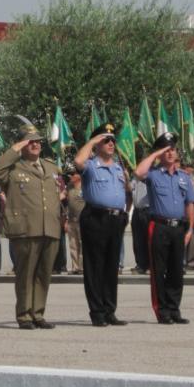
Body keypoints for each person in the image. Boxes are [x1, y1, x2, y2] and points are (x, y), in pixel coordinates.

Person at [0, 123, 60, 330]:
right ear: (22, 144)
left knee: (44, 274)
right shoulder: (13, 168)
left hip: (50, 227)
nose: (35, 144)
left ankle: (38, 313)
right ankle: (24, 315)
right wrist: (16, 149)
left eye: (38, 141)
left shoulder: (51, 167)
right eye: (30, 141)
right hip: (26, 229)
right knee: (26, 274)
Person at [134, 132, 194, 325]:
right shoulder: (153, 175)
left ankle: (174, 309)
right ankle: (162, 311)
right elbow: (138, 172)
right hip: (159, 227)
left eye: (173, 150)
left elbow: (190, 204)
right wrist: (155, 153)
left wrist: (190, 229)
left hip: (178, 228)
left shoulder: (184, 177)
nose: (170, 153)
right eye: (166, 150)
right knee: (159, 270)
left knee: (177, 270)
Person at [74, 123, 129, 327]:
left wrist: (124, 214)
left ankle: (109, 310)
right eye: (106, 140)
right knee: (95, 267)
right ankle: (97, 312)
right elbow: (78, 160)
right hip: (96, 218)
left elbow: (126, 191)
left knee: (111, 267)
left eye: (112, 140)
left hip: (115, 219)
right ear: (97, 144)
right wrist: (92, 141)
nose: (111, 143)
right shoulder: (91, 165)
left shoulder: (117, 167)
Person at [66, 166, 85, 274]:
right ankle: (75, 267)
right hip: (71, 220)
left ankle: (82, 267)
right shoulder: (69, 187)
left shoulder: (85, 186)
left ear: (79, 176)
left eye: (73, 174)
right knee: (73, 244)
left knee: (82, 244)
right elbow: (62, 196)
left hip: (82, 220)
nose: (70, 176)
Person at [130, 174, 150, 275]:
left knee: (148, 239)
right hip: (137, 210)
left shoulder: (149, 177)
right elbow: (129, 191)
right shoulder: (134, 178)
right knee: (137, 240)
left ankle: (150, 265)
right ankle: (140, 265)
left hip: (148, 210)